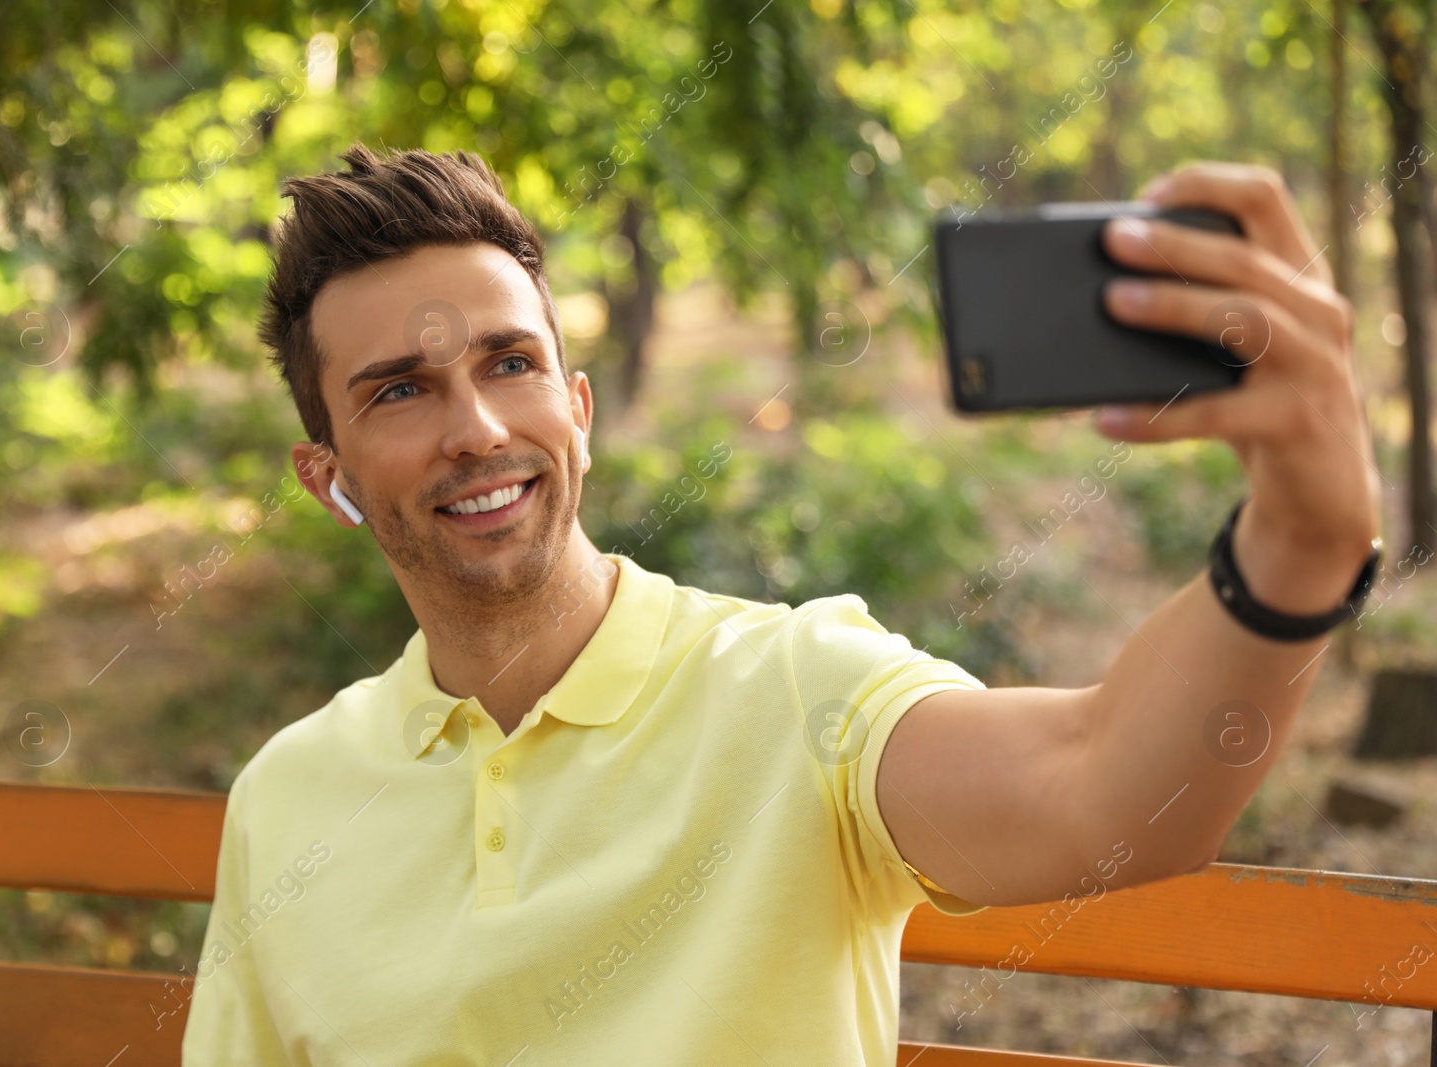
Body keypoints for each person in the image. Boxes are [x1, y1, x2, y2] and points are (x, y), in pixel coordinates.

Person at [179, 143, 1382, 1064]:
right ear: (325, 474)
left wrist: (1302, 536)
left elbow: (1106, 788)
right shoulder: (288, 795)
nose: (479, 427)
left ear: (579, 410)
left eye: (510, 363)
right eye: (399, 391)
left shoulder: (798, 691)